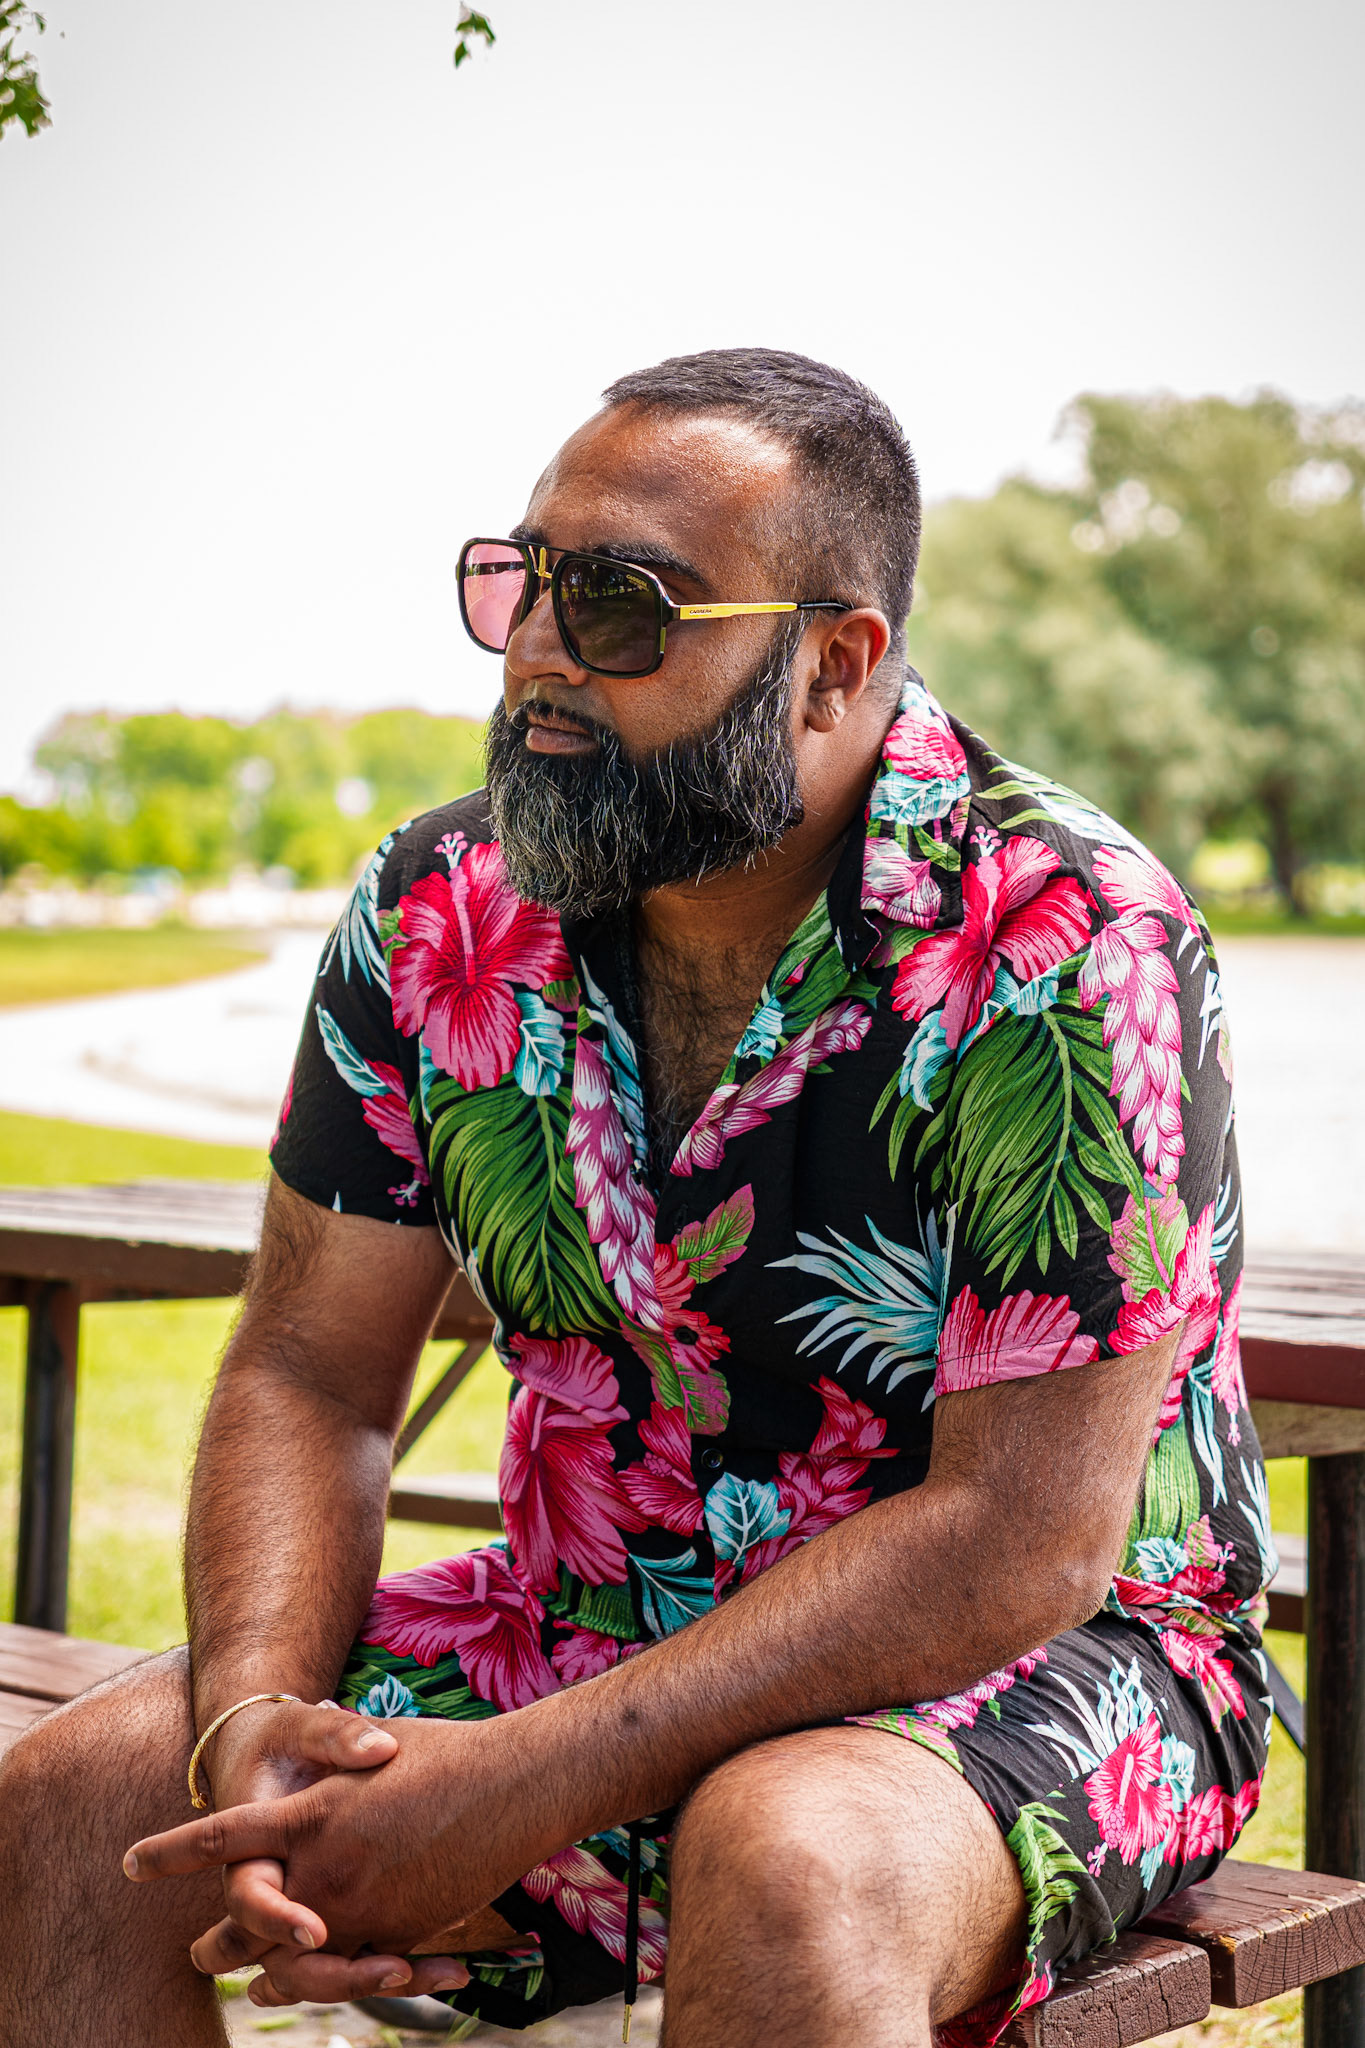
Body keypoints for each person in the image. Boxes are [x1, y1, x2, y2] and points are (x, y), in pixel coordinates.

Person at [0, 349, 1271, 2048]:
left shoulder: (1061, 932)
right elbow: (309, 1369)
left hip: (1055, 1661)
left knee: (789, 1859)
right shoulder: (439, 903)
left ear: (832, 664)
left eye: (619, 606)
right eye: (520, 581)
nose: (536, 645)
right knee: (90, 1801)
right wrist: (253, 1728)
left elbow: (1018, 1540)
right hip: (595, 1622)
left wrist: (512, 1788)